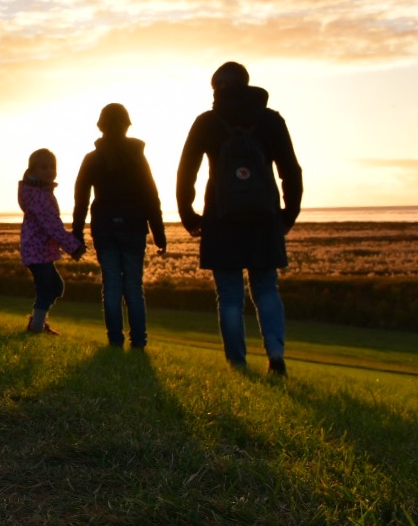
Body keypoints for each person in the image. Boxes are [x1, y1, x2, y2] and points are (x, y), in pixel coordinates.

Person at [176, 62, 303, 375]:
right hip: (265, 217)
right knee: (266, 289)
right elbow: (291, 171)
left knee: (230, 294)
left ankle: (237, 364)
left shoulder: (207, 122)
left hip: (220, 218)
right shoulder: (270, 120)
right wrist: (288, 215)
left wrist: (188, 215)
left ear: (216, 89)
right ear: (246, 85)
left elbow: (186, 173)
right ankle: (275, 355)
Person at [71, 103, 168, 349]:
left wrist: (77, 234)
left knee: (112, 286)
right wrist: (159, 234)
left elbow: (81, 199)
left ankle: (115, 341)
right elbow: (151, 196)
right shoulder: (138, 157)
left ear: (100, 126)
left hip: (104, 229)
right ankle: (139, 342)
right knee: (134, 288)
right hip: (134, 228)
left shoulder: (92, 159)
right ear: (127, 126)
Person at [18, 148, 86, 335]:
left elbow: (52, 225)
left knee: (55, 286)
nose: (49, 171)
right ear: (32, 171)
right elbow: (52, 226)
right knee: (48, 288)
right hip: (37, 251)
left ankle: (37, 323)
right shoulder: (38, 196)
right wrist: (74, 247)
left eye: (52, 167)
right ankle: (37, 327)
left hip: (40, 251)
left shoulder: (40, 192)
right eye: (43, 167)